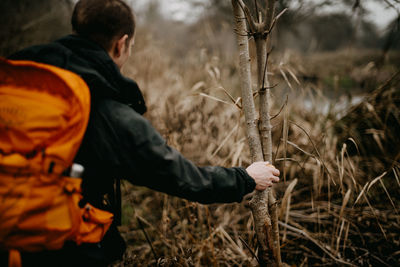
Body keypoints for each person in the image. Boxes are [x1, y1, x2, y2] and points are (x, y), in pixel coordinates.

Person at [5, 0, 280, 266]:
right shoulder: (106, 111)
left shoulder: (18, 81)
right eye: (131, 47)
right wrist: (245, 178)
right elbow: (181, 177)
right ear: (120, 44)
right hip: (55, 248)